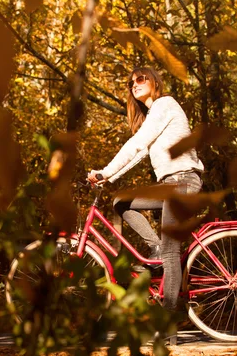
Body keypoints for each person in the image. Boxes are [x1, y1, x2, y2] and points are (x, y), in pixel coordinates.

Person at [87, 67, 204, 324]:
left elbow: (136, 144)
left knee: (172, 254)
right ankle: (156, 247)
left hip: (181, 182)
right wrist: (108, 177)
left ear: (154, 81)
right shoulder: (154, 115)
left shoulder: (165, 104)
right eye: (131, 83)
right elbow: (140, 153)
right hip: (171, 185)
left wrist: (106, 170)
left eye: (141, 79)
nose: (135, 84)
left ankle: (169, 322)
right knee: (122, 203)